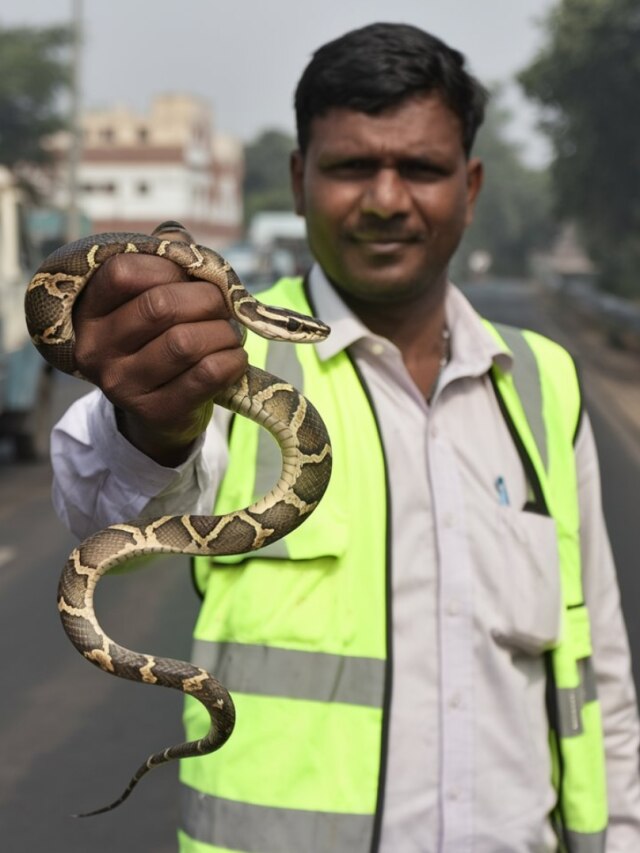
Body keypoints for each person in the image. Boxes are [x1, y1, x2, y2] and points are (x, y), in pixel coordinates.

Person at [50, 22, 640, 853]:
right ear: (298, 180)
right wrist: (156, 422)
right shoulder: (217, 350)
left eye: (423, 168)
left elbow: (600, 669)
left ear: (471, 185)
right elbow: (103, 493)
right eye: (352, 166)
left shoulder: (545, 381)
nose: (387, 199)